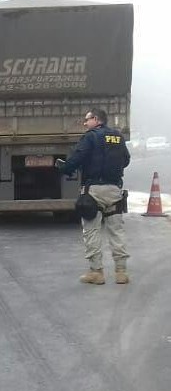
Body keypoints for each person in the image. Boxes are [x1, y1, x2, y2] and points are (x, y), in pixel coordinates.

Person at [55, 107, 130, 285]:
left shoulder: (91, 136)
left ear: (96, 119)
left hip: (94, 191)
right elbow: (126, 160)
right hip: (114, 190)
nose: (85, 123)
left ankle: (96, 272)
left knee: (91, 230)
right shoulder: (118, 137)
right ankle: (121, 272)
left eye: (87, 119)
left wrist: (64, 168)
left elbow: (77, 158)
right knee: (116, 231)